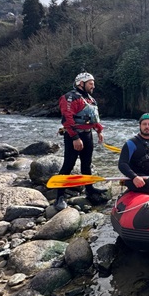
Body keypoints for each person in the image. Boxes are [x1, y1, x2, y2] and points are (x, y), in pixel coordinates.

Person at [54, 72, 105, 210]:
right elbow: (67, 119)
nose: (93, 85)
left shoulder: (91, 99)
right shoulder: (70, 97)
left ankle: (89, 189)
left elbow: (94, 118)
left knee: (87, 164)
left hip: (87, 135)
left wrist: (99, 131)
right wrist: (75, 138)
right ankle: (59, 197)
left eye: (93, 83)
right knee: (68, 166)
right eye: (90, 83)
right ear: (81, 84)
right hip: (73, 136)